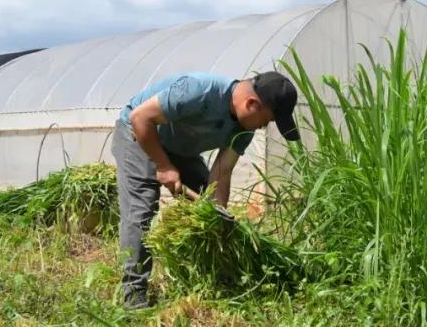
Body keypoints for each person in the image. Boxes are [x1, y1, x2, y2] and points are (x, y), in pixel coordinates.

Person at [111, 71, 300, 309]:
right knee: (142, 208)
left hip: (180, 150)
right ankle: (134, 295)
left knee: (210, 215)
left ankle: (213, 279)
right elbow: (141, 118)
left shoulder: (244, 130)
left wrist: (217, 210)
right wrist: (163, 165)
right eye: (267, 120)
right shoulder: (199, 91)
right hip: (139, 135)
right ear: (252, 104)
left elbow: (221, 173)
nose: (264, 127)